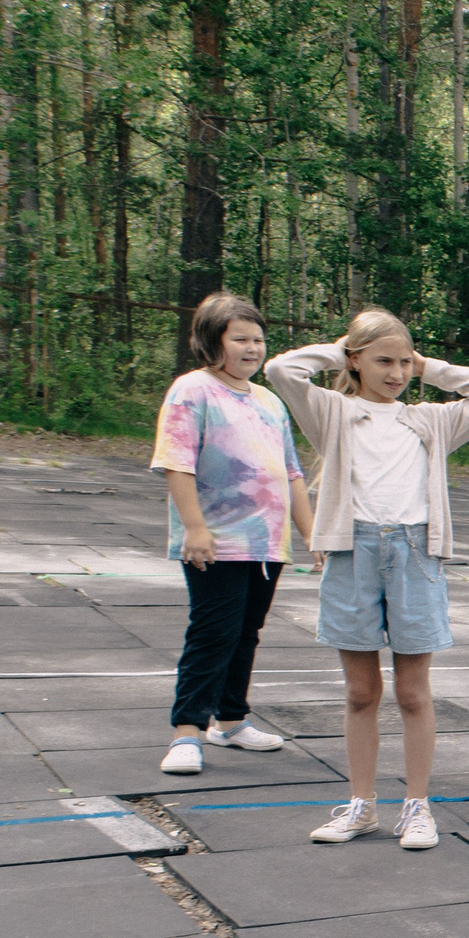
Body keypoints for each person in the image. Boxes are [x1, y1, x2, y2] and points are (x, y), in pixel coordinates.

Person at [265, 311, 469, 849]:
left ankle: (417, 807)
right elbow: (282, 370)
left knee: (412, 692)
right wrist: (340, 348)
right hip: (352, 551)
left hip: (413, 552)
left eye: (404, 362)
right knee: (360, 692)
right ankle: (360, 807)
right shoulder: (332, 411)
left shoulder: (430, 418)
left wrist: (430, 367)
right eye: (383, 361)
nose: (396, 372)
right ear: (355, 360)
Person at [150, 292, 315, 775]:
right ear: (211, 341)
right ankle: (186, 732)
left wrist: (312, 533)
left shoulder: (268, 400)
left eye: (259, 339)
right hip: (218, 540)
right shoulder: (192, 390)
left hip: (267, 543)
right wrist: (195, 529)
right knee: (213, 633)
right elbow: (176, 464)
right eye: (240, 338)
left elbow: (292, 474)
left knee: (246, 634)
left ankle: (230, 721)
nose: (252, 348)